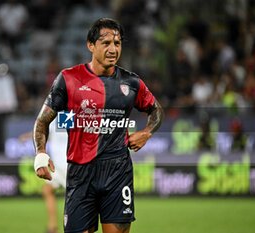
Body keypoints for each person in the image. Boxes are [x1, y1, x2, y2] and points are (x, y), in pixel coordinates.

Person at [33, 18, 163, 233]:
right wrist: (40, 154)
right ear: (90, 45)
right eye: (106, 43)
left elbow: (156, 110)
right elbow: (42, 121)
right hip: (80, 173)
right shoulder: (68, 79)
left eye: (117, 43)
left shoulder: (131, 83)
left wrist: (147, 132)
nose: (113, 49)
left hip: (117, 172)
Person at [20, 120, 67, 233]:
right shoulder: (54, 116)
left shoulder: (68, 113)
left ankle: (72, 226)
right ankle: (52, 227)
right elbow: (43, 130)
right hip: (57, 165)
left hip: (68, 164)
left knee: (74, 197)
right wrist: (28, 136)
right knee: (47, 190)